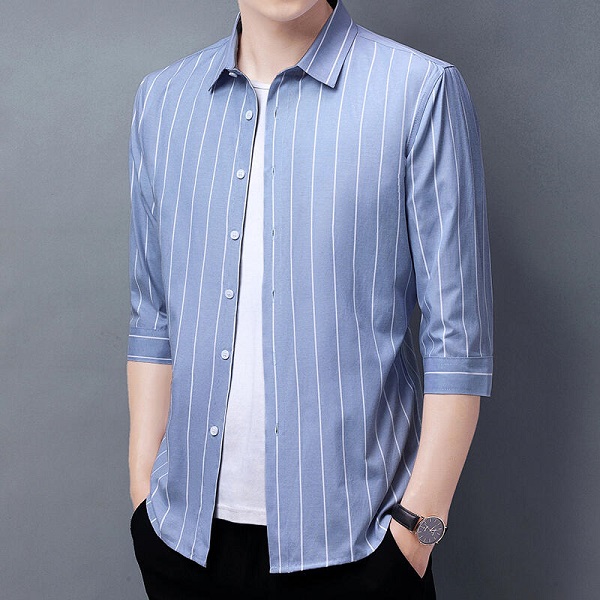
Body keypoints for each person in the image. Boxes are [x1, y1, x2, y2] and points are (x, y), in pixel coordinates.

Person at [126, 0, 494, 598]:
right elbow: (153, 315)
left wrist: (414, 538)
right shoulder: (162, 102)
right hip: (184, 543)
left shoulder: (419, 91)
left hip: (363, 551)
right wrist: (144, 498)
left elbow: (458, 341)